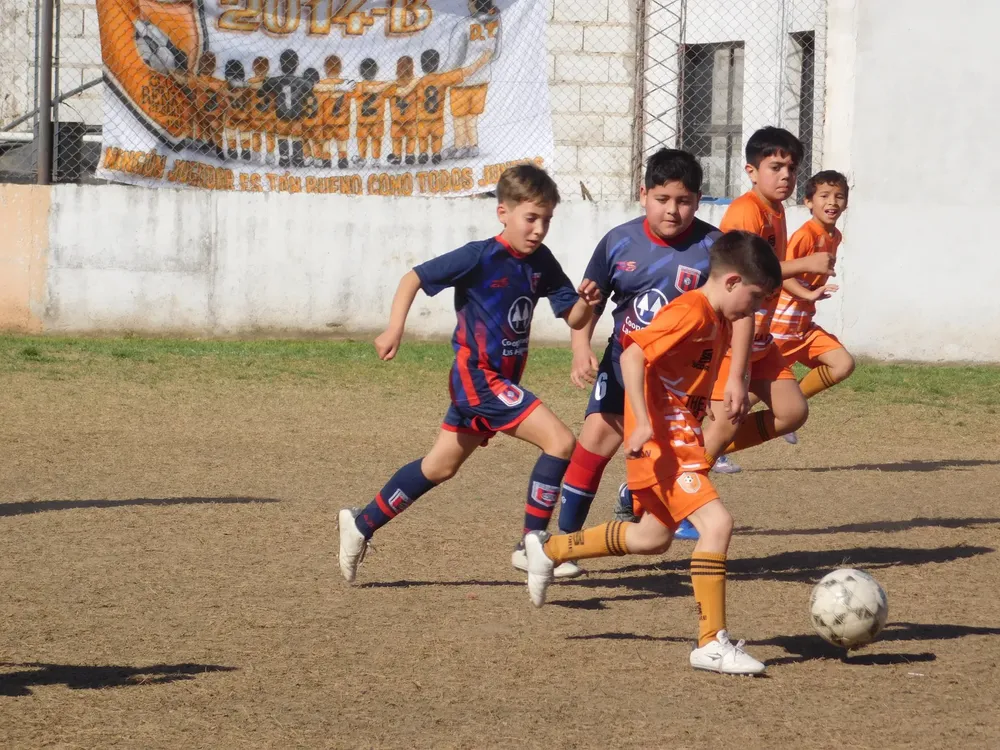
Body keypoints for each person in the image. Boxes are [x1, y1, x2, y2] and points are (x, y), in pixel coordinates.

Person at [522, 230, 782, 675]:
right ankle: (710, 643)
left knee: (651, 538)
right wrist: (641, 421)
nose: (754, 312)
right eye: (755, 300)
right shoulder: (692, 311)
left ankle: (551, 549)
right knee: (717, 523)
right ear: (734, 282)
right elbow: (632, 354)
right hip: (664, 442)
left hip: (679, 439)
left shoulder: (718, 317)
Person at [338, 164, 602, 582]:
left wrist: (589, 303)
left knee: (439, 467)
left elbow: (574, 317)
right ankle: (530, 543)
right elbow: (414, 278)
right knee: (561, 441)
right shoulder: (479, 257)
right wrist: (394, 328)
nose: (538, 229)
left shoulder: (542, 262)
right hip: (478, 379)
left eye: (546, 220)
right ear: (503, 212)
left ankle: (361, 523)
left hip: (498, 383)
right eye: (531, 218)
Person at [514, 148, 724, 579]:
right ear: (643, 193)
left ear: (698, 200)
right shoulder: (618, 241)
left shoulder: (713, 248)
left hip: (679, 380)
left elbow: (734, 311)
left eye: (683, 201)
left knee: (666, 456)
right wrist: (580, 348)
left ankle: (646, 514)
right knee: (594, 442)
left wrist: (728, 376)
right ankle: (564, 545)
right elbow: (587, 300)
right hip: (622, 359)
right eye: (663, 199)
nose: (673, 210)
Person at [701, 127, 836, 473]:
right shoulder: (748, 211)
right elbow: (748, 273)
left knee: (792, 413)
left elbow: (771, 273)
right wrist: (805, 265)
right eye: (775, 167)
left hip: (762, 336)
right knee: (724, 423)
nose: (786, 176)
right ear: (751, 171)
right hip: (736, 334)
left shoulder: (775, 209)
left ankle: (702, 452)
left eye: (791, 168)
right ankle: (675, 497)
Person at [770, 170, 855, 399]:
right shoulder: (805, 235)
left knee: (843, 364)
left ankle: (791, 408)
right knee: (752, 395)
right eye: (824, 195)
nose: (832, 202)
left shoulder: (834, 235)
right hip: (781, 328)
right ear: (808, 201)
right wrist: (807, 295)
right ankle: (723, 434)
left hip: (803, 327)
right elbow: (781, 273)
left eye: (839, 196)